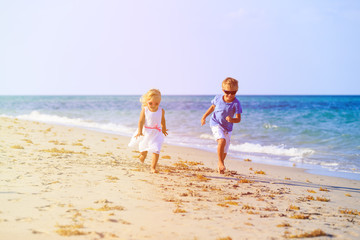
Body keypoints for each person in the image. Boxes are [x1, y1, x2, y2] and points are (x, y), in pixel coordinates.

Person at [201, 77, 242, 174]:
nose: (230, 95)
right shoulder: (218, 98)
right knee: (221, 140)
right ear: (223, 90)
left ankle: (221, 166)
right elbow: (212, 107)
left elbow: (238, 119)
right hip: (215, 123)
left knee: (225, 148)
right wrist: (204, 117)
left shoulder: (236, 103)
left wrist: (232, 119)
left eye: (233, 92)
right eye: (227, 92)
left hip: (228, 127)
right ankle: (220, 162)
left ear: (236, 91)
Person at [128, 89, 168, 173]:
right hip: (146, 132)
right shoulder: (145, 110)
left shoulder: (161, 110)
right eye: (151, 103)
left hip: (156, 133)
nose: (153, 105)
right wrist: (139, 131)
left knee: (156, 150)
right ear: (147, 101)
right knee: (144, 152)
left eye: (156, 103)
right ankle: (140, 161)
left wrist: (163, 128)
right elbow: (141, 121)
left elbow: (162, 120)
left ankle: (153, 167)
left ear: (159, 102)